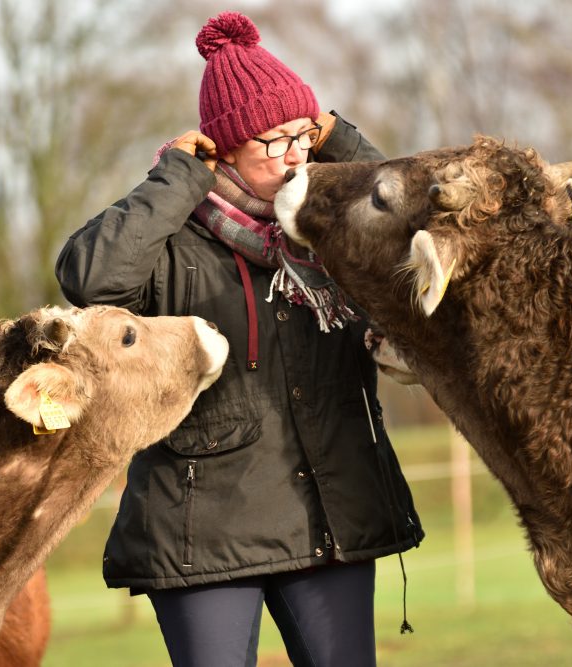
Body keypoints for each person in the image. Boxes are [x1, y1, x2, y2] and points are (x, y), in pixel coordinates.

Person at [55, 11, 423, 667]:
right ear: (222, 150)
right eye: (271, 141)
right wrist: (175, 177)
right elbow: (89, 276)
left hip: (331, 520)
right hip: (206, 535)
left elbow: (411, 215)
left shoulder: (333, 232)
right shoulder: (170, 247)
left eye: (304, 137)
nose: (295, 158)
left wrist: (340, 138)